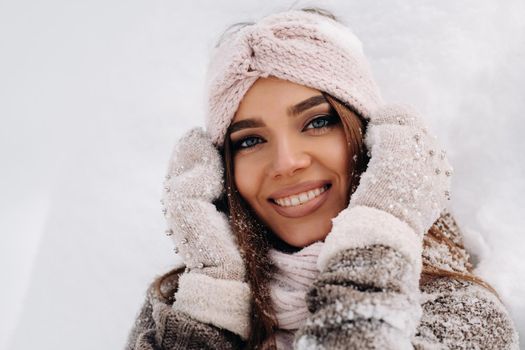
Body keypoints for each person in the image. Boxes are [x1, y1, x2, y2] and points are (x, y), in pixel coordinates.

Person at [125, 8, 519, 350]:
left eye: (317, 122)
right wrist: (214, 299)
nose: (286, 162)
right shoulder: (181, 312)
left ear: (368, 139)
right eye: (250, 141)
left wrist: (380, 229)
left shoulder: (462, 312)